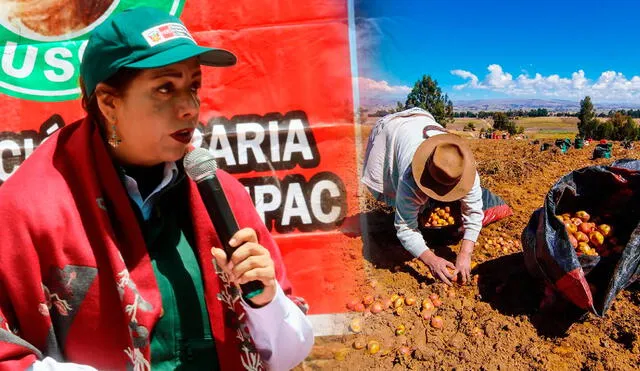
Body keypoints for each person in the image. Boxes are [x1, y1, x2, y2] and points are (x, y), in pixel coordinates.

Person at [0, 7, 313, 371]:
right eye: (165, 88)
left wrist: (266, 304)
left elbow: (289, 353)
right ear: (108, 102)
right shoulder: (30, 209)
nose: (189, 108)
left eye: (193, 86)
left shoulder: (221, 195)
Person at [361, 107, 483, 285]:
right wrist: (431, 260)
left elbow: (474, 212)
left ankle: (417, 209)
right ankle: (410, 210)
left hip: (421, 120)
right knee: (404, 206)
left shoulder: (464, 170)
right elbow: (405, 228)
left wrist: (465, 253)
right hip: (393, 131)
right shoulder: (409, 178)